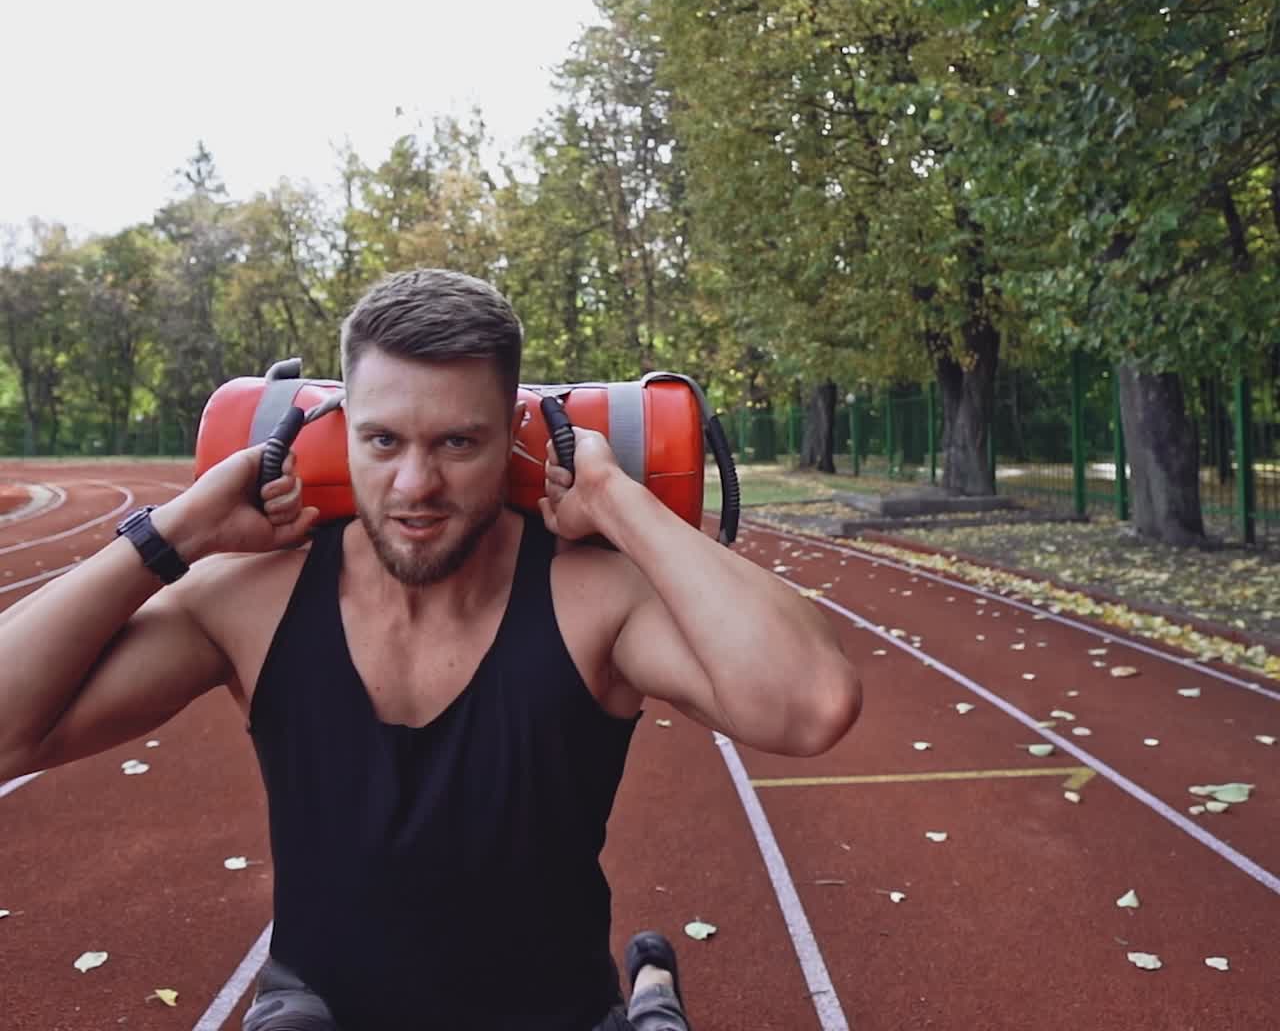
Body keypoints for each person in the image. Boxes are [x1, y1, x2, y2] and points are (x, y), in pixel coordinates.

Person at [0, 268, 861, 1031]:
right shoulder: (251, 600)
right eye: (383, 441)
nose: (416, 486)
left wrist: (612, 497)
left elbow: (809, 704)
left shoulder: (592, 600)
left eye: (458, 441)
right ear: (338, 433)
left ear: (515, 438)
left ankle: (648, 992)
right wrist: (174, 532)